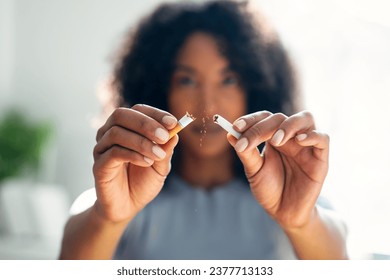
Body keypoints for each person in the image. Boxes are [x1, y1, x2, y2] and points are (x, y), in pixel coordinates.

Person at [59, 0, 348, 260]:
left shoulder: (291, 194)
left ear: (256, 88)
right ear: (160, 90)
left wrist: (302, 222)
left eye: (229, 79)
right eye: (186, 80)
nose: (208, 106)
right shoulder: (119, 197)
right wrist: (109, 219)